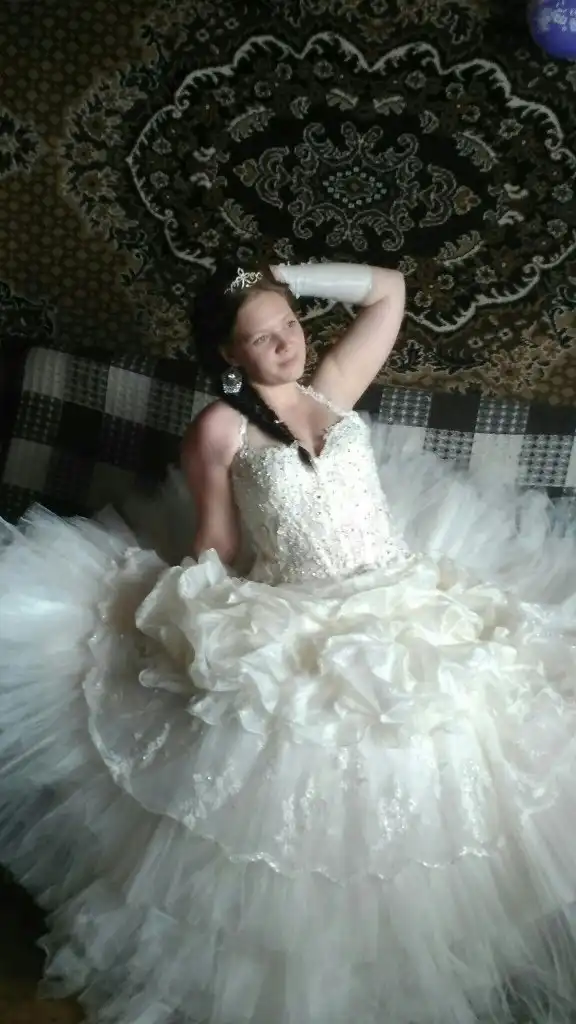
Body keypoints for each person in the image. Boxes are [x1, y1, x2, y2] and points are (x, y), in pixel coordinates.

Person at [1, 259, 576, 1024]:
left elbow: (389, 291)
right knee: (312, 762)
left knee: (458, 729)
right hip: (300, 608)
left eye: (290, 325)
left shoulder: (332, 387)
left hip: (402, 596)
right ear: (229, 355)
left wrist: (281, 276)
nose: (284, 345)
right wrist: (201, 618)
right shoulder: (220, 428)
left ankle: (403, 960)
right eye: (261, 338)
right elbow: (217, 542)